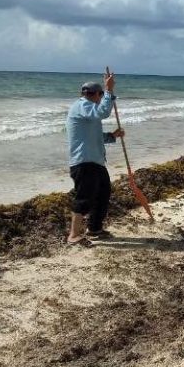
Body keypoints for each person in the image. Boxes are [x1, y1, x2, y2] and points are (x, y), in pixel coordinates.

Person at [65, 71, 124, 246]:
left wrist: (112, 136)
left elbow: (95, 136)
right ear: (97, 95)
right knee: (84, 198)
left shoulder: (89, 111)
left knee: (103, 193)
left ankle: (95, 228)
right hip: (84, 162)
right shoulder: (82, 106)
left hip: (95, 161)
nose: (102, 99)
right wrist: (109, 90)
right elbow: (104, 112)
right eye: (101, 95)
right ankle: (74, 235)